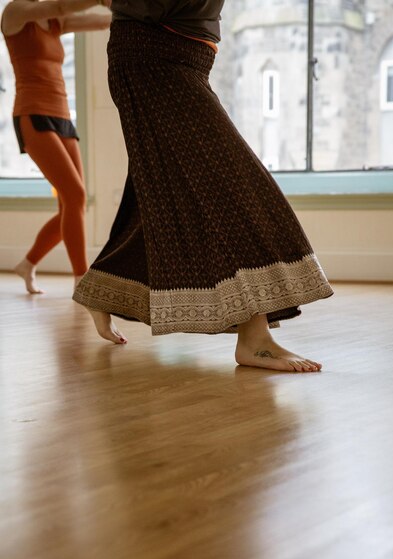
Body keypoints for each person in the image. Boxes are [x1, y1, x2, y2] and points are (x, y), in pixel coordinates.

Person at [73, 0, 334, 372]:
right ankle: (255, 339)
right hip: (153, 57)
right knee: (229, 184)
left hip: (182, 57)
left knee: (163, 192)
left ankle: (104, 289)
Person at [1, 0, 111, 293]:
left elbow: (101, 22)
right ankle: (82, 280)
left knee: (71, 204)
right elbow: (61, 7)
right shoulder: (15, 13)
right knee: (75, 196)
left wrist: (131, 11)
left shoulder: (54, 23)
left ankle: (27, 263)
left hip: (62, 115)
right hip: (32, 113)